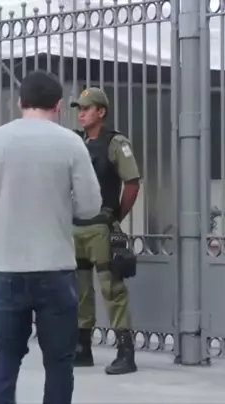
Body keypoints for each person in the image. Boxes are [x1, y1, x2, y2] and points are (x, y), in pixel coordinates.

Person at [0, 70, 102, 404]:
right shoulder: (71, 143)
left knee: (6, 353)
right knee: (59, 359)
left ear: (20, 102)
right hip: (55, 267)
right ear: (58, 105)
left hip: (6, 267)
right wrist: (59, 207)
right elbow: (90, 206)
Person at [70, 87, 141, 375]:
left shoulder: (115, 143)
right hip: (77, 227)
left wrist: (114, 217)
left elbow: (132, 183)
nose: (81, 113)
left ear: (101, 112)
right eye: (79, 108)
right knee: (80, 290)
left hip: (100, 228)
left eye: (87, 108)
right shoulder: (76, 143)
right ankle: (82, 349)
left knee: (112, 289)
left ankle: (126, 353)